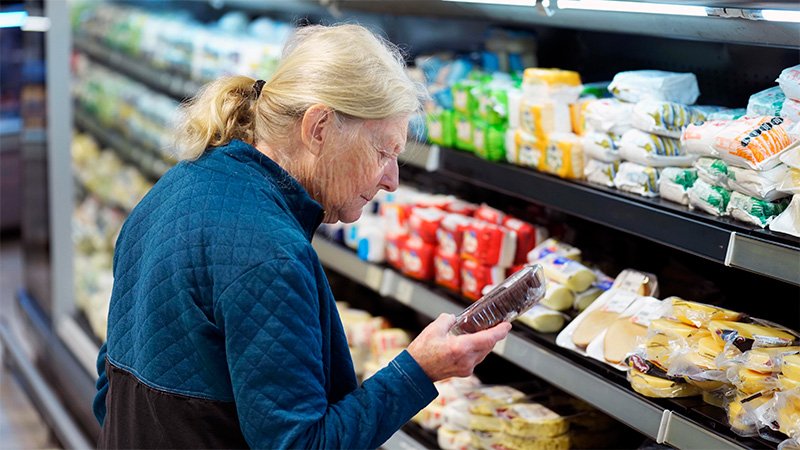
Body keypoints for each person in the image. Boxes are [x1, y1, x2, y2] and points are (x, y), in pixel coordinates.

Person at [93, 23, 510, 449]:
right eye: (383, 152)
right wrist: (419, 370)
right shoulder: (270, 255)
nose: (392, 180)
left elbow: (111, 380)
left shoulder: (172, 188)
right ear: (319, 128)